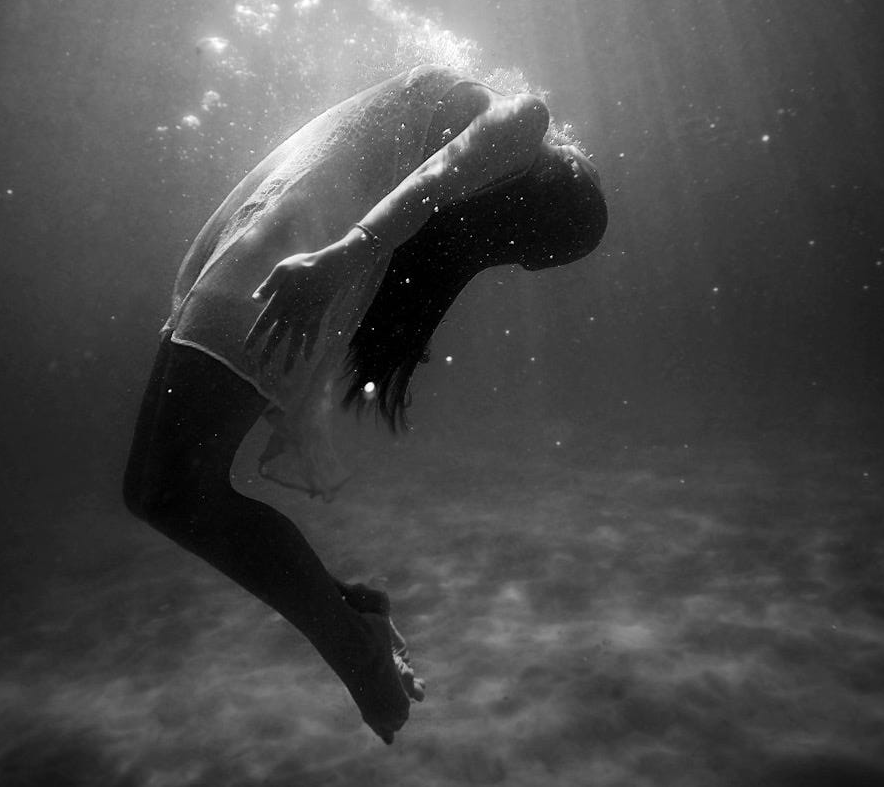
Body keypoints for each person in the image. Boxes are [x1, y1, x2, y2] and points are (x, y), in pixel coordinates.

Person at [122, 64, 607, 744]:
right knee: (158, 490)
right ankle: (352, 623)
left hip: (293, 250)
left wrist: (338, 257)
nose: (503, 253)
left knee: (167, 491)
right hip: (295, 248)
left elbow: (421, 178)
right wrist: (340, 256)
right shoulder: (522, 121)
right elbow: (432, 178)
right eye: (524, 246)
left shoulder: (490, 120)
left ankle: (350, 641)